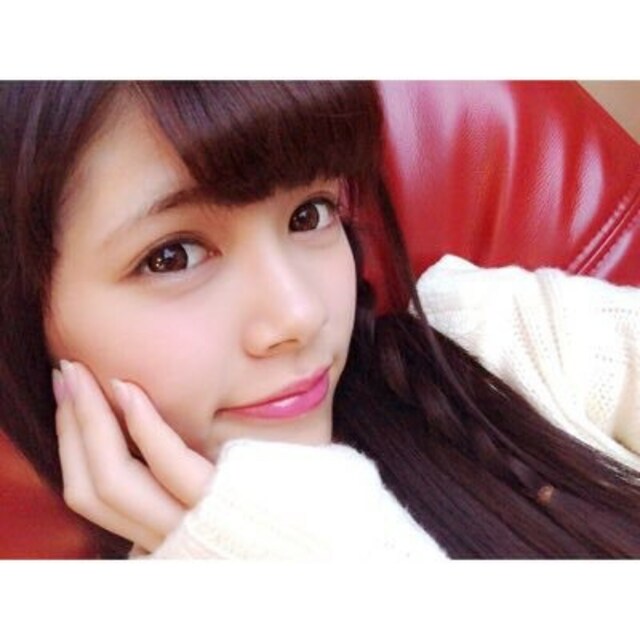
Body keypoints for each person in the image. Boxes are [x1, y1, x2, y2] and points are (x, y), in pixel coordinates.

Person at [0, 81, 638, 559]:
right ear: (28, 313)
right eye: (174, 256)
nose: (299, 315)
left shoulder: (503, 342)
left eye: (310, 214)